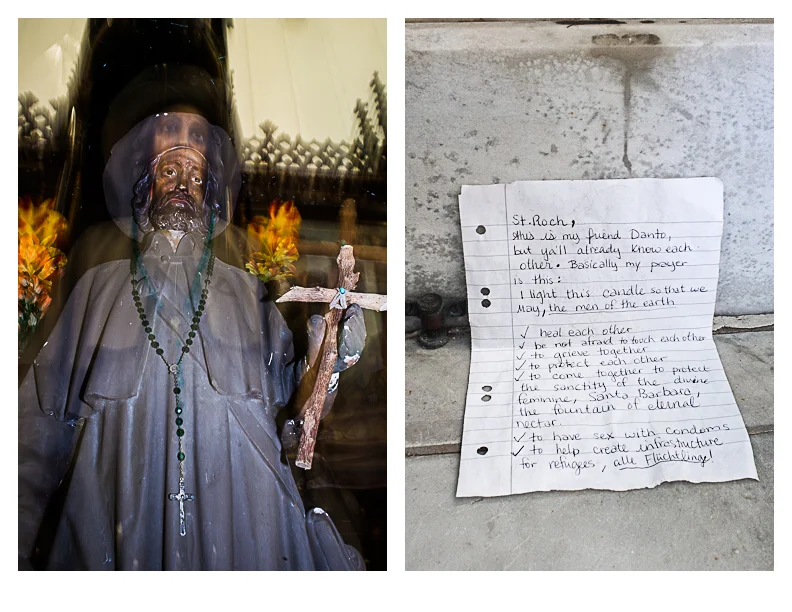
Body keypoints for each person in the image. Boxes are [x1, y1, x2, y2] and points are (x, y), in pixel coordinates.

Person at [18, 111, 365, 570]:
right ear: (146, 187)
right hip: (120, 525)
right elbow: (37, 432)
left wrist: (327, 360)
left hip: (243, 525)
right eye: (170, 170)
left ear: (208, 198)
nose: (184, 182)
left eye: (197, 176)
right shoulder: (97, 291)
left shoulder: (248, 294)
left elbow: (293, 413)